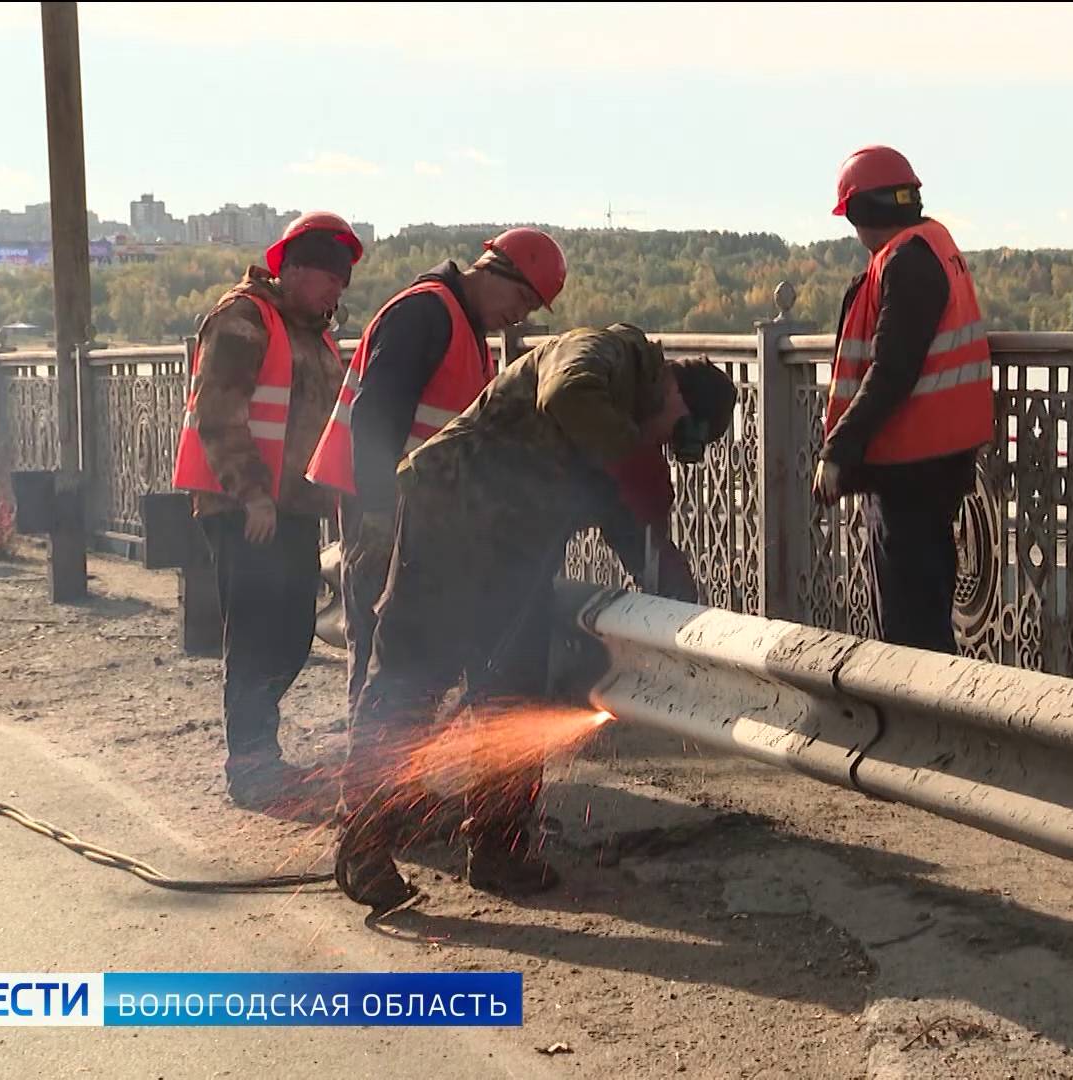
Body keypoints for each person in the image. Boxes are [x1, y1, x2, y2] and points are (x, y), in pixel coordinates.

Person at [335, 323, 736, 912]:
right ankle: (364, 842)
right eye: (674, 436)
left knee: (516, 698)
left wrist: (680, 608)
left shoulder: (623, 435)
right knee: (412, 684)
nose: (660, 449)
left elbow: (636, 531)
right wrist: (633, 458)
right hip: (448, 517)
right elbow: (564, 396)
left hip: (514, 555)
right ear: (677, 396)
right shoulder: (603, 353)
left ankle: (498, 850)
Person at [307, 227, 568, 711]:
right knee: (380, 649)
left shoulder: (465, 331)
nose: (519, 317)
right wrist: (380, 520)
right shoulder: (425, 313)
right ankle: (368, 780)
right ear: (494, 271)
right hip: (382, 510)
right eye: (523, 299)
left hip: (417, 518)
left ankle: (391, 778)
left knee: (406, 658)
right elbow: (375, 419)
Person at [171, 210, 363, 809]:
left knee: (291, 635)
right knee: (259, 638)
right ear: (296, 269)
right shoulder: (245, 318)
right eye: (330, 276)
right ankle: (252, 768)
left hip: (291, 508)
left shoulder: (311, 331)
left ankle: (261, 756)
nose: (338, 289)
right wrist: (252, 493)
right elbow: (218, 412)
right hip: (244, 508)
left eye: (343, 280)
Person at [812, 146, 993, 655]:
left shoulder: (907, 262)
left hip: (909, 469)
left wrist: (838, 450)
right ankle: (931, 718)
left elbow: (892, 370)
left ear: (859, 213)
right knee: (924, 606)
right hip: (935, 462)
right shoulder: (931, 248)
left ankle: (925, 725)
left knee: (911, 624)